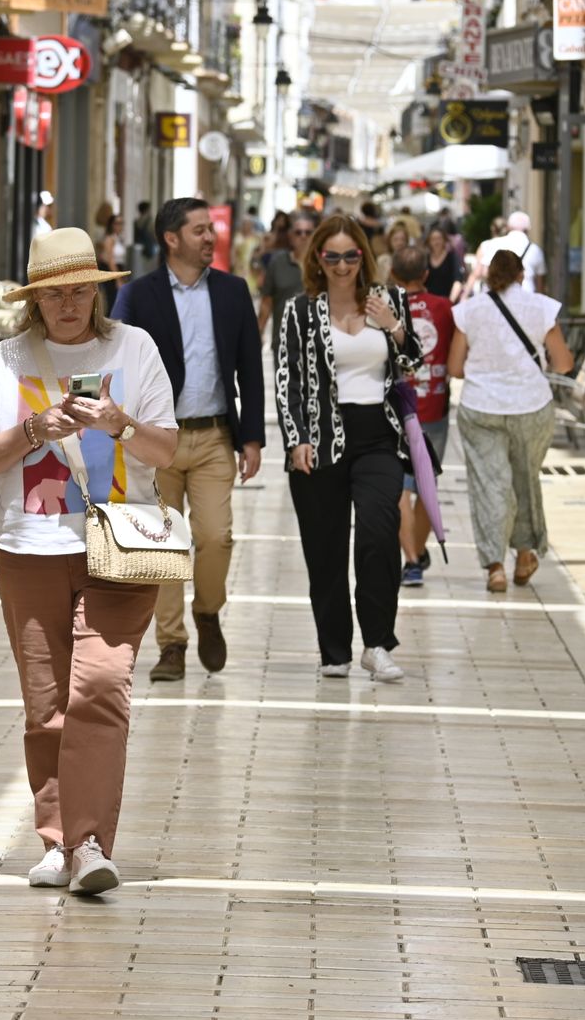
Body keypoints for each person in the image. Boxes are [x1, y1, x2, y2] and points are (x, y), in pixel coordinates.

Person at [0, 226, 177, 895]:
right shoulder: (9, 359)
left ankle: (88, 843)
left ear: (97, 290)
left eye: (81, 289)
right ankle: (58, 841)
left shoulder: (133, 349)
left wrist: (118, 424)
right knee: (47, 706)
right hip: (30, 546)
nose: (69, 303)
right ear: (35, 298)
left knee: (102, 687)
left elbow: (166, 450)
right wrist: (33, 429)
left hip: (120, 542)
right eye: (55, 293)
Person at [110, 198, 266, 682]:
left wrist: (254, 438)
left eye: (210, 229)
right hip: (155, 440)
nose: (209, 237)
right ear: (171, 238)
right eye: (199, 230)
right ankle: (172, 644)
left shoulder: (234, 291)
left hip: (215, 434)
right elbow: (116, 357)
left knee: (216, 536)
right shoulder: (137, 296)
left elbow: (250, 368)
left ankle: (208, 610)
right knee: (162, 546)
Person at [276, 214, 420, 682]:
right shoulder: (300, 311)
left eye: (350, 255)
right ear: (318, 258)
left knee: (380, 534)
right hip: (318, 442)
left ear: (364, 255)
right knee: (326, 550)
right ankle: (334, 649)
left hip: (378, 436)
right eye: (332, 256)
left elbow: (414, 360)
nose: (342, 265)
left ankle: (377, 644)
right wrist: (295, 437)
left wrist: (394, 326)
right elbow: (288, 380)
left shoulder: (390, 299)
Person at [447, 249, 574, 593]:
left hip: (481, 406)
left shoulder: (468, 312)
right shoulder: (542, 307)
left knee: (490, 485)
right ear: (521, 275)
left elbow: (455, 368)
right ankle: (524, 555)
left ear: (490, 278)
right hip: (531, 406)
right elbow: (563, 364)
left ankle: (495, 568)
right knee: (524, 481)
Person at [387, 246, 455, 588]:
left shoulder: (387, 309)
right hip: (434, 407)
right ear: (426, 275)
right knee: (427, 486)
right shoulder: (444, 308)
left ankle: (411, 560)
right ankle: (418, 552)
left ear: (394, 274)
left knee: (400, 490)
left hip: (397, 408)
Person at [257, 211, 317, 361]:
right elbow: (267, 301)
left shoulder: (324, 264)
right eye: (298, 232)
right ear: (290, 236)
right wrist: (259, 332)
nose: (303, 236)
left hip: (316, 344)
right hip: (283, 343)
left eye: (308, 232)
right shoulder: (278, 262)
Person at [497, 211, 547, 293]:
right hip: (527, 294)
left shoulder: (496, 244)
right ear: (527, 229)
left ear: (508, 227)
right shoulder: (535, 250)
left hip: (501, 295)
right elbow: (540, 283)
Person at [464, 217, 511, 299]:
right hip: (510, 290)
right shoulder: (513, 244)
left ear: (492, 229)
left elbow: (477, 272)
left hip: (490, 292)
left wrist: (464, 295)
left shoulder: (486, 245)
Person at [95, 212, 129, 311]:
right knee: (113, 300)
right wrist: (117, 279)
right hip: (111, 270)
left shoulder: (118, 238)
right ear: (112, 225)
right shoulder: (110, 238)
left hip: (118, 268)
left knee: (118, 299)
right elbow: (110, 259)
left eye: (121, 223)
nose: (119, 226)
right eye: (117, 223)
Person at [423, 226, 465, 303]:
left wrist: (450, 302)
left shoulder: (452, 257)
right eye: (433, 239)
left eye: (439, 238)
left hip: (448, 301)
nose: (436, 242)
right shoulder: (425, 259)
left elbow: (458, 281)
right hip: (430, 303)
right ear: (428, 242)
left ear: (444, 240)